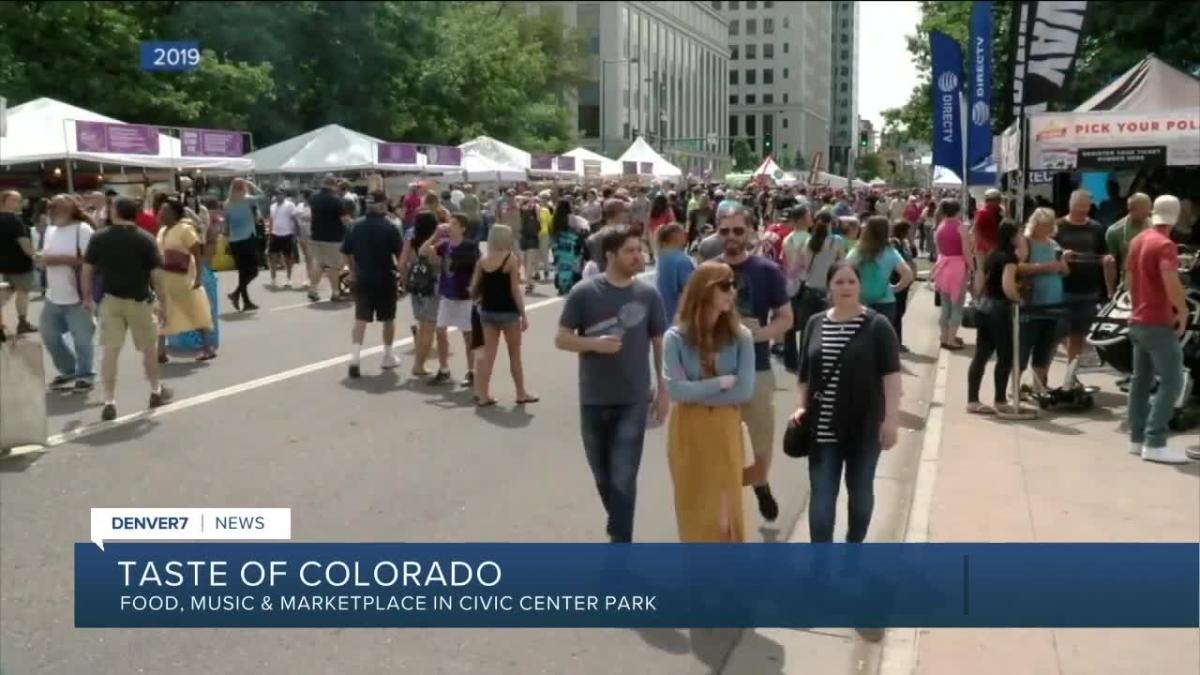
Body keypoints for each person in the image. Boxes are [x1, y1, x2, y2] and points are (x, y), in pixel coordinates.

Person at [556, 226, 669, 543]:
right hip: (592, 398)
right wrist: (593, 344)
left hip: (633, 398)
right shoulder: (584, 292)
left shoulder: (648, 295)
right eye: (631, 251)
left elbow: (660, 343)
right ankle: (618, 523)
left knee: (623, 476)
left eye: (640, 250)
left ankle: (621, 546)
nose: (639, 256)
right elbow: (561, 338)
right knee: (603, 476)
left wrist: (664, 389)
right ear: (610, 255)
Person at [793, 261, 902, 543]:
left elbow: (891, 378)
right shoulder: (815, 323)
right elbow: (804, 375)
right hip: (823, 428)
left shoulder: (878, 326)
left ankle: (854, 546)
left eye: (851, 282)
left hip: (864, 429)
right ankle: (821, 562)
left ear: (860, 286)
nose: (846, 287)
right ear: (829, 287)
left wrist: (891, 421)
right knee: (822, 496)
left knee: (861, 493)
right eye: (839, 282)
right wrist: (801, 406)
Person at [664, 262, 756, 542]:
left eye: (734, 285)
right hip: (688, 430)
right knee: (693, 507)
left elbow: (743, 391)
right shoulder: (675, 338)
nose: (732, 292)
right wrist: (719, 383)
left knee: (725, 511)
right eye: (725, 286)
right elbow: (676, 391)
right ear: (704, 291)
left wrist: (697, 391)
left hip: (724, 426)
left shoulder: (741, 336)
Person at [717, 201, 793, 523]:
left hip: (758, 371)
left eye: (738, 230)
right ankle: (728, 504)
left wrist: (760, 333)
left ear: (749, 231)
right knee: (721, 451)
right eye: (725, 231)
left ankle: (759, 483)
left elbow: (787, 318)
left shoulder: (766, 271)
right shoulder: (708, 271)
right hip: (716, 377)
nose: (731, 236)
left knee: (761, 448)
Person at [82, 196, 173, 421]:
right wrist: (163, 304)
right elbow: (156, 277)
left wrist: (86, 297)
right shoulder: (146, 239)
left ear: (115, 212)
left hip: (110, 300)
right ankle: (155, 390)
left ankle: (109, 400)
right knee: (148, 349)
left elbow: (87, 271)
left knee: (110, 352)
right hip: (140, 300)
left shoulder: (99, 237)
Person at [1125, 195, 1191, 464]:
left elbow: (1129, 278)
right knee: (1172, 380)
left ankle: (1137, 437)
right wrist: (1183, 310)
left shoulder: (1138, 240)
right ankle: (1155, 440)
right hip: (1157, 321)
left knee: (1140, 380)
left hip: (1137, 319)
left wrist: (1137, 303)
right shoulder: (1165, 245)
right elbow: (1170, 280)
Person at [470, 223, 536, 406]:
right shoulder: (510, 259)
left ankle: (483, 395)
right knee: (514, 354)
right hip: (508, 312)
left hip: (487, 311)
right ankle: (521, 393)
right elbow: (515, 289)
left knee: (487, 356)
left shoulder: (482, 260)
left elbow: (473, 288)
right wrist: (523, 314)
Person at [340, 191, 403, 379]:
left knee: (360, 319)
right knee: (388, 319)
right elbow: (400, 254)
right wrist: (402, 275)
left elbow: (346, 251)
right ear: (382, 205)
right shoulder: (390, 226)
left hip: (362, 277)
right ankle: (387, 354)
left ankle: (355, 358)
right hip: (384, 277)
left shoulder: (355, 226)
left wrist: (352, 270)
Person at [38, 194, 97, 391]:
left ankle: (86, 375)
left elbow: (91, 261)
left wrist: (57, 259)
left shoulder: (83, 229)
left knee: (82, 339)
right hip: (53, 295)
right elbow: (47, 257)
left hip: (77, 296)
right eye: (50, 206)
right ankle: (69, 369)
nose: (51, 209)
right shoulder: (50, 230)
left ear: (71, 209)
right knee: (49, 335)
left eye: (56, 206)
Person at [967, 221, 1024, 414]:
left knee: (981, 354)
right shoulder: (1009, 258)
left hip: (985, 308)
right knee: (1005, 356)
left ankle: (972, 399)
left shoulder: (992, 254)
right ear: (1012, 236)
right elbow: (1008, 286)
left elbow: (983, 279)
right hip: (1000, 311)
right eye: (1019, 233)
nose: (1021, 237)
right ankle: (1000, 399)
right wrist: (1019, 299)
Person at [1055, 189, 1108, 379]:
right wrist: (1061, 256)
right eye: (1078, 208)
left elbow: (1104, 254)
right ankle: (1042, 377)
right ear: (1071, 206)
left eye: (1085, 208)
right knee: (1057, 334)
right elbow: (1048, 251)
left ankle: (1071, 375)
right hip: (1062, 288)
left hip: (1088, 289)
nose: (1082, 212)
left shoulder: (1096, 228)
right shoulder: (1058, 226)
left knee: (1079, 334)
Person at [155, 197, 215, 363]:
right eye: (161, 210)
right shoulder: (162, 231)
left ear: (174, 214)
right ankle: (160, 351)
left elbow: (197, 254)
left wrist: (198, 278)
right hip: (165, 279)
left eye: (165, 211)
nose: (161, 213)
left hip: (183, 278)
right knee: (163, 313)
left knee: (194, 312)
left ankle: (207, 348)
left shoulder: (185, 230)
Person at [1016, 207, 1070, 392]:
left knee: (1044, 349)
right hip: (1032, 305)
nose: (1047, 229)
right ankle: (1014, 387)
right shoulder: (1026, 242)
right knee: (1023, 348)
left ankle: (1038, 387)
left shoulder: (1054, 244)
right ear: (1035, 224)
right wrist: (1046, 267)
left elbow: (1064, 270)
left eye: (1049, 225)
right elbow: (1018, 268)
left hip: (1053, 305)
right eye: (1043, 225)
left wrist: (1063, 264)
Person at [422, 213, 479, 386]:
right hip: (447, 294)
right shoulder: (444, 245)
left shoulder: (470, 246)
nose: (450, 226)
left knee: (468, 335)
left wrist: (475, 287)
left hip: (464, 296)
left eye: (454, 224)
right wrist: (435, 235)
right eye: (450, 223)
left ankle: (472, 372)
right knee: (440, 331)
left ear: (462, 228)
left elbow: (479, 268)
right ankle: (444, 369)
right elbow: (423, 251)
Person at [400, 198, 442, 377]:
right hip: (432, 284)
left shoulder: (411, 234)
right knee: (429, 326)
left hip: (415, 281)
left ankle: (420, 352)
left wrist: (404, 282)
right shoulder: (438, 237)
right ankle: (419, 365)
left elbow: (402, 262)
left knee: (422, 321)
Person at [847, 216, 914, 326]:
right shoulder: (890, 252)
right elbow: (908, 275)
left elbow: (845, 271)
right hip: (886, 301)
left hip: (860, 301)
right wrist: (895, 288)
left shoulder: (856, 252)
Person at [931, 199, 973, 350]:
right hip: (957, 267)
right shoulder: (961, 227)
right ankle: (951, 339)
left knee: (945, 304)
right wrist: (972, 267)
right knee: (957, 305)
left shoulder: (939, 227)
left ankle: (944, 336)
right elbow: (966, 251)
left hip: (942, 266)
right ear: (958, 210)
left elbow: (938, 250)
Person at [307, 175, 353, 303]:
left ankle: (313, 289)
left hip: (315, 236)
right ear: (333, 185)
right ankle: (335, 293)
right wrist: (353, 224)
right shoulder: (336, 200)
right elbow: (345, 220)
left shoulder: (314, 198)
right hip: (333, 238)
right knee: (334, 267)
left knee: (319, 263)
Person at [0, 190, 36, 340]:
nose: (20, 203)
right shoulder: (15, 221)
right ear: (5, 201)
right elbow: (24, 243)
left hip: (4, 263)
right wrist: (34, 255)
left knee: (6, 291)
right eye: (16, 200)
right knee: (23, 292)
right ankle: (22, 322)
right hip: (20, 263)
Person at [223, 178, 264, 311]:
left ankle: (245, 301)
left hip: (235, 241)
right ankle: (236, 294)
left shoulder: (228, 203)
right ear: (244, 187)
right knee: (253, 271)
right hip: (247, 238)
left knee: (243, 271)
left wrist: (226, 241)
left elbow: (225, 225)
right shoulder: (247, 199)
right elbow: (263, 195)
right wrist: (251, 183)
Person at [780, 206, 813, 372]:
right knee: (807, 324)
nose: (811, 217)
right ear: (801, 219)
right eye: (809, 214)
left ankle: (790, 360)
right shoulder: (810, 239)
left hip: (790, 284)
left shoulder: (788, 239)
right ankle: (805, 360)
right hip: (806, 284)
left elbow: (789, 265)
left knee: (791, 325)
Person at [1104, 192, 1152, 297]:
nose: (1148, 212)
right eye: (1144, 210)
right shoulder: (1115, 232)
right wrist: (1110, 291)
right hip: (1129, 285)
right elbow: (1109, 264)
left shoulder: (1155, 226)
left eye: (1149, 208)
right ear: (1131, 209)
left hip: (1153, 282)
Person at [655, 223, 695, 324]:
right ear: (678, 236)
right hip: (680, 319)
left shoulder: (661, 258)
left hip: (664, 318)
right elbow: (691, 290)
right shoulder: (682, 260)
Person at [889, 221, 918, 352]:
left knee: (900, 311)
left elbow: (912, 256)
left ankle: (897, 341)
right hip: (897, 280)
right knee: (897, 312)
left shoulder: (904, 243)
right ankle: (895, 342)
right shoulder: (894, 243)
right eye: (908, 230)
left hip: (905, 282)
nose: (910, 232)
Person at [550, 199, 589, 296]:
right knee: (571, 265)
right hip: (570, 244)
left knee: (561, 266)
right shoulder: (572, 217)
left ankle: (561, 285)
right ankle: (569, 285)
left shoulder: (555, 217)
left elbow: (552, 230)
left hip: (558, 243)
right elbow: (577, 230)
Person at [973, 188, 1004, 292]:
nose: (1000, 202)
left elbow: (976, 230)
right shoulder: (996, 212)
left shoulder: (982, 212)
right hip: (990, 247)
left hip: (983, 247)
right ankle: (983, 293)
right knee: (986, 271)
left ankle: (980, 294)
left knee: (981, 271)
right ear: (995, 199)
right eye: (998, 199)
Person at [267, 191, 298, 288]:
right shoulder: (272, 206)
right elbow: (271, 220)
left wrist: (295, 234)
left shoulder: (290, 205)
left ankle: (289, 279)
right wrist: (269, 234)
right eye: (276, 194)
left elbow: (295, 220)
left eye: (280, 194)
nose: (278, 196)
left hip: (287, 234)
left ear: (284, 195)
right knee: (272, 257)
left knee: (288, 258)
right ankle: (273, 279)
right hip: (275, 234)